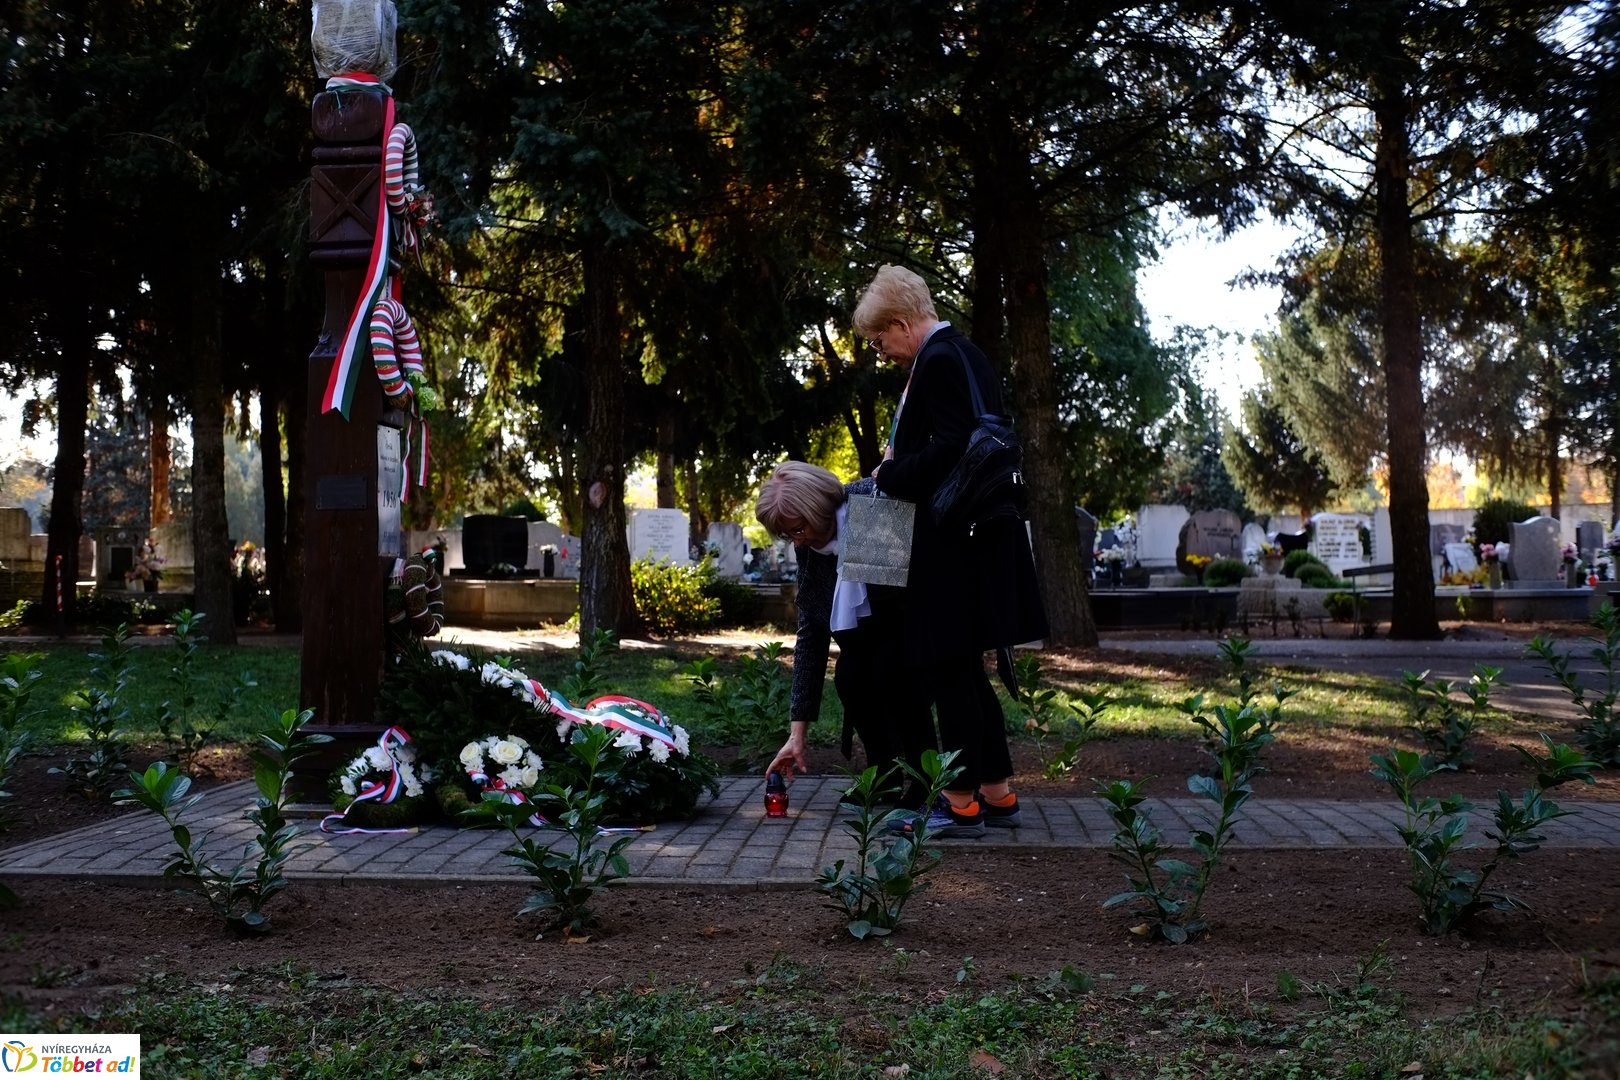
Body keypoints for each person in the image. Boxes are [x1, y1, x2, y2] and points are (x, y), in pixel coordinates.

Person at [854, 264, 1048, 838]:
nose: (882, 353)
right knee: (967, 670)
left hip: (951, 545)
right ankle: (998, 793)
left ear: (900, 322)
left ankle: (959, 803)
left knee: (949, 672)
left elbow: (950, 449)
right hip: (980, 535)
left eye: (879, 340)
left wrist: (890, 474)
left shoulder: (937, 361)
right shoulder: (967, 353)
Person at [754, 461, 936, 805]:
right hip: (872, 638)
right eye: (788, 535)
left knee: (890, 670)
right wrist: (797, 733)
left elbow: (901, 600)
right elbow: (811, 632)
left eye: (799, 529)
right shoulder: (808, 547)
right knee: (850, 676)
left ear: (818, 508)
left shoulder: (871, 506)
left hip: (917, 623)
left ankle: (925, 781)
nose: (797, 541)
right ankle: (883, 776)